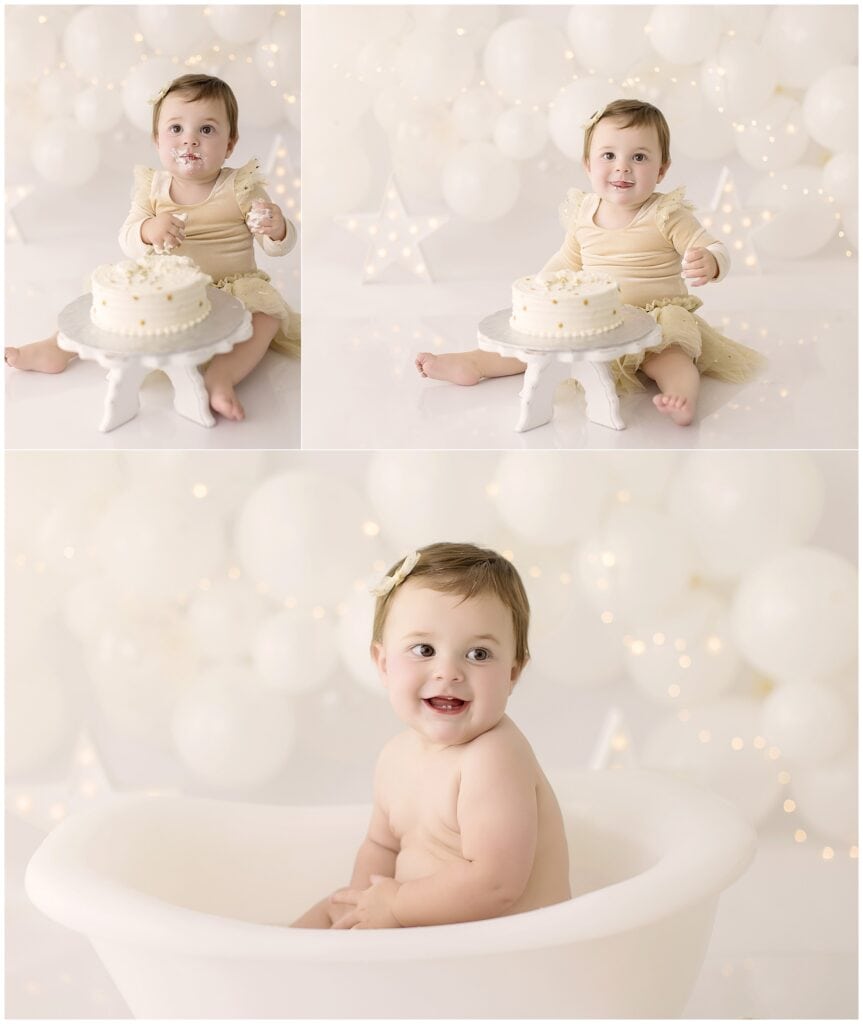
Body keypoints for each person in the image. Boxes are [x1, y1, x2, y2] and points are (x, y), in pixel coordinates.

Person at [416, 99, 763, 426]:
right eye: (608, 155)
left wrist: (712, 261)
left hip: (657, 315)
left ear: (662, 169)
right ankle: (473, 362)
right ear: (588, 165)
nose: (622, 167)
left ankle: (681, 396)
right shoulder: (584, 212)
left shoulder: (666, 214)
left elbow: (713, 245)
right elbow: (567, 259)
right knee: (536, 349)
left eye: (639, 157)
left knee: (671, 357)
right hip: (599, 320)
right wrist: (540, 290)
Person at [292, 542, 572, 930]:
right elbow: (381, 846)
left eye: (478, 654)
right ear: (383, 663)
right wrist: (361, 907)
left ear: (512, 672)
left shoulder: (494, 756)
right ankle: (259, 968)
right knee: (328, 913)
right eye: (424, 649)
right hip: (425, 933)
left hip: (503, 947)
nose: (448, 672)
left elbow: (496, 883)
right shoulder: (395, 757)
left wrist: (395, 907)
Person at [6, 73, 299, 422]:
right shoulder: (152, 188)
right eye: (176, 129)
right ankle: (57, 347)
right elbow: (127, 237)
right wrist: (148, 230)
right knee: (107, 302)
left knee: (265, 317)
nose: (190, 140)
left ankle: (222, 377)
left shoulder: (241, 186)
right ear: (157, 140)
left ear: (230, 144)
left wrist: (277, 228)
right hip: (167, 291)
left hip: (232, 288)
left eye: (206, 130)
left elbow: (275, 246)